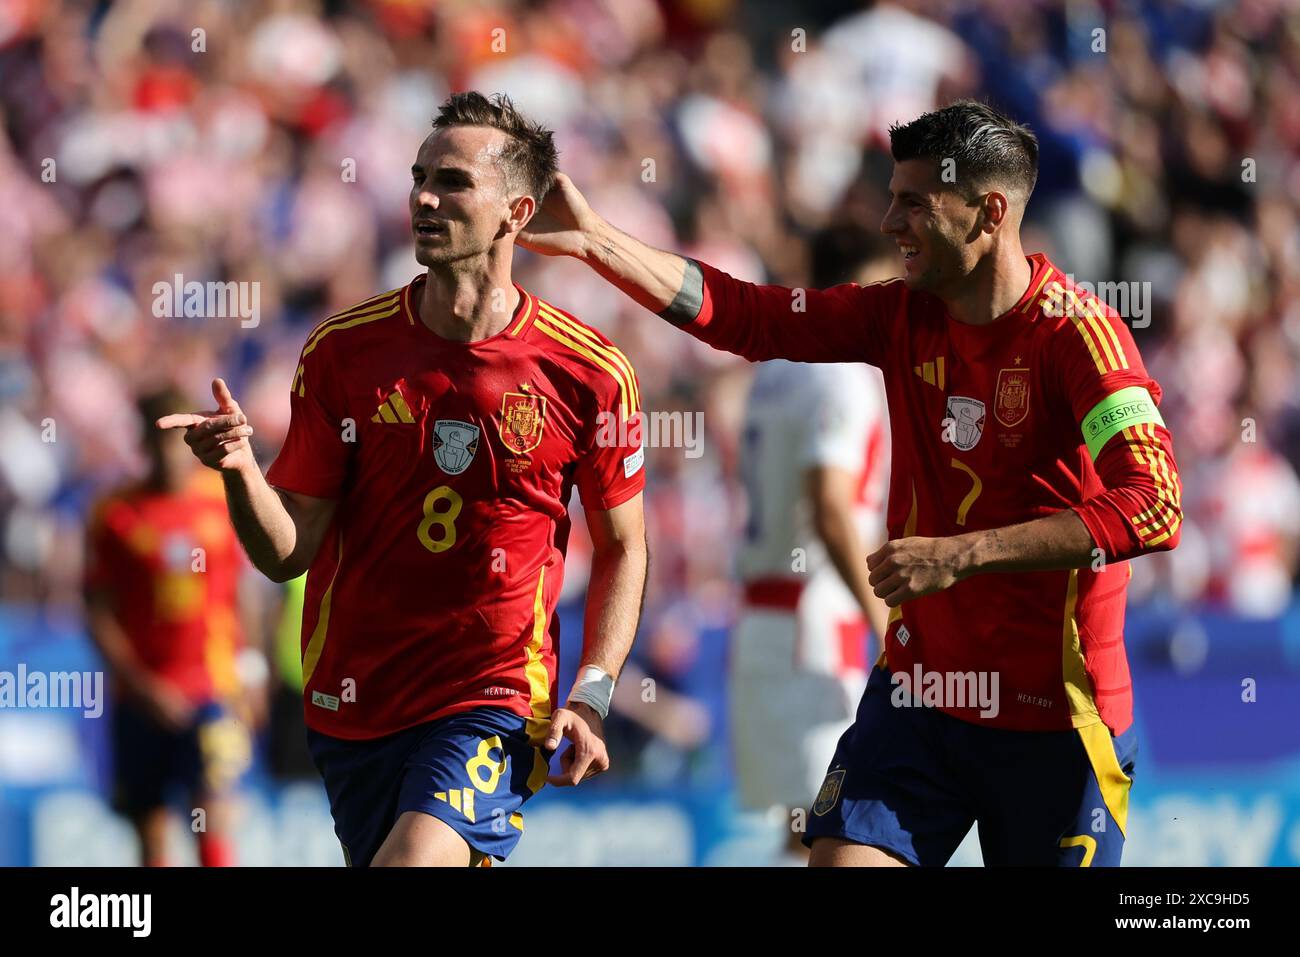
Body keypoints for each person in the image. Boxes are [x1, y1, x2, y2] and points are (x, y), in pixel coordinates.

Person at [519, 100, 1182, 867]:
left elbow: (1154, 505)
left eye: (912, 203)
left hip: (1058, 720)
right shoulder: (898, 315)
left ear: (988, 213)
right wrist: (598, 241)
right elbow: (751, 317)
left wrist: (963, 554)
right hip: (920, 698)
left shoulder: (1080, 335)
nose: (889, 222)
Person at [158, 92, 648, 867]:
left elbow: (624, 545)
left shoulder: (588, 371)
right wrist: (240, 471)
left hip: (495, 695)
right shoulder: (343, 353)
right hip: (356, 702)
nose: (422, 196)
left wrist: (593, 691)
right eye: (419, 176)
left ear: (517, 211)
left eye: (452, 181)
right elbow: (289, 549)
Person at [86, 389, 255, 867]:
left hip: (213, 694)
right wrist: (142, 687)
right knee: (153, 835)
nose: (166, 453)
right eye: (156, 440)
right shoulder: (115, 514)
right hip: (141, 699)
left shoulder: (219, 505)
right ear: (141, 440)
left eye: (176, 440)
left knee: (213, 822)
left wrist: (253, 673)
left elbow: (240, 597)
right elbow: (97, 612)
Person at [732, 357, 890, 864]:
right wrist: (886, 622)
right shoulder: (842, 372)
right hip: (813, 627)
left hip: (769, 618)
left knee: (800, 829)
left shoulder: (774, 369)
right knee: (828, 830)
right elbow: (831, 505)